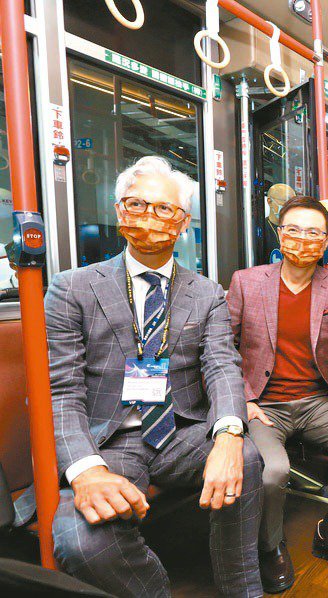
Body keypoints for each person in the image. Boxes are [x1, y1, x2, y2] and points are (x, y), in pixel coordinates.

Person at [45, 157, 263, 597]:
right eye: (137, 204)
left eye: (164, 209)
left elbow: (221, 364)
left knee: (249, 459)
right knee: (82, 543)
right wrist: (86, 472)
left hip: (177, 430)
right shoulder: (72, 288)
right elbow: (61, 390)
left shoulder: (207, 293)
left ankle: (241, 587)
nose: (149, 217)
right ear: (119, 211)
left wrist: (228, 436)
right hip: (111, 439)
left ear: (182, 223)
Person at [227, 196, 328, 592]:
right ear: (279, 234)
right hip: (263, 403)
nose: (302, 239)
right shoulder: (246, 282)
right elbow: (222, 348)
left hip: (320, 401)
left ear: (327, 241)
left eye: (313, 232)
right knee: (274, 471)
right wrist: (242, 398)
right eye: (293, 230)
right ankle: (269, 545)